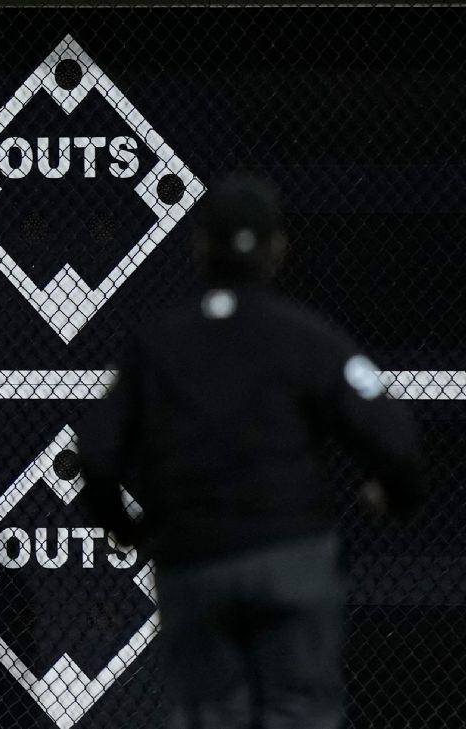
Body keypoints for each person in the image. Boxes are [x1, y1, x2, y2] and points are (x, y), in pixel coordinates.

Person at [78, 174, 424, 728]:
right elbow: (397, 440)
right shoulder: (308, 337)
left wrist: (129, 527)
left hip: (196, 560)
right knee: (300, 714)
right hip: (291, 556)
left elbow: (95, 456)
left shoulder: (157, 344)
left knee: (210, 715)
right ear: (277, 250)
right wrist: (395, 495)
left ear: (199, 247)